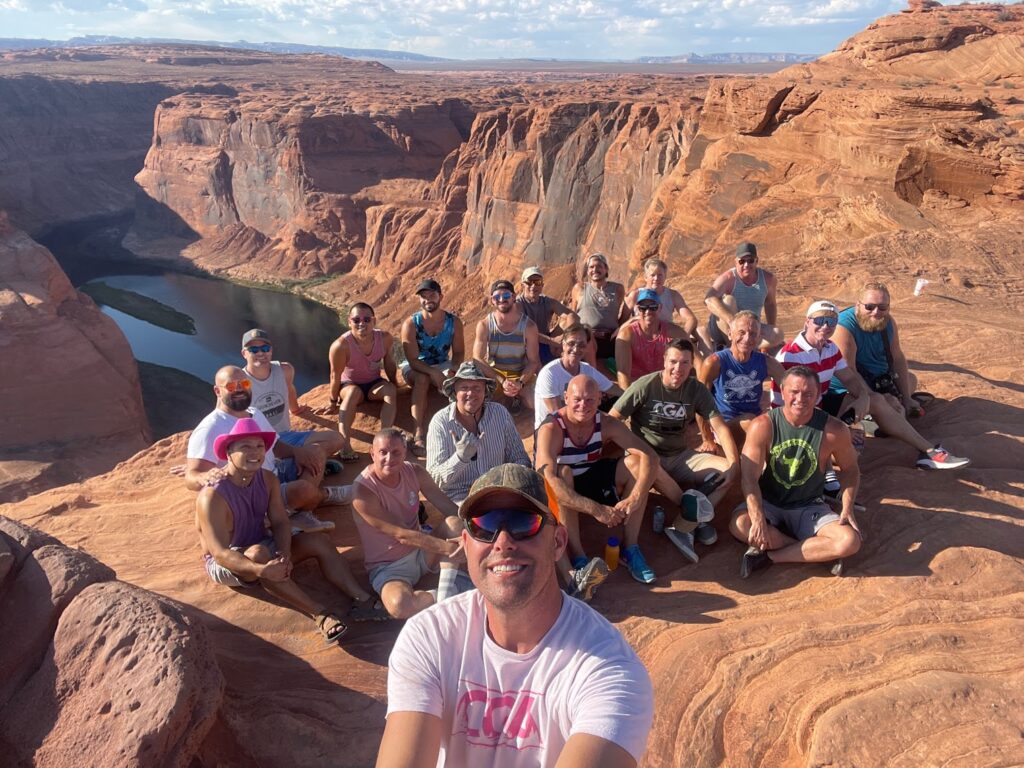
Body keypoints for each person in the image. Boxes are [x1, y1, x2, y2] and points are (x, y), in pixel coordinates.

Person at [378, 463, 654, 768]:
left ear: (558, 542)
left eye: (524, 522)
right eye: (484, 524)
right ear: (466, 545)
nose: (503, 541)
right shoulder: (430, 637)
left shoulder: (608, 669)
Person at [195, 418, 382, 646]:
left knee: (318, 541)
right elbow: (219, 552)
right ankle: (320, 614)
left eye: (259, 446)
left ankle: (362, 599)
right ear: (228, 452)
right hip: (228, 560)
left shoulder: (267, 479)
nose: (255, 452)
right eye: (245, 446)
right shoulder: (212, 496)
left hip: (263, 541)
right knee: (258, 553)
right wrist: (260, 569)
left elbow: (280, 522)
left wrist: (283, 553)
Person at [611, 340, 740, 562]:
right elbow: (612, 420)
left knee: (726, 471)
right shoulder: (645, 386)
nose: (678, 368)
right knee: (646, 465)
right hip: (648, 458)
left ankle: (685, 525)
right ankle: (692, 511)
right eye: (673, 361)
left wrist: (734, 464)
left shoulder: (695, 389)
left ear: (691, 365)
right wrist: (631, 448)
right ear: (664, 361)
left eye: (684, 363)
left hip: (681, 457)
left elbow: (719, 426)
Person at [729, 366, 862, 579]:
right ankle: (818, 552)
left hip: (809, 505)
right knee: (740, 524)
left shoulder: (834, 430)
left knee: (849, 541)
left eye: (809, 394)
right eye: (794, 392)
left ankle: (772, 557)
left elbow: (850, 470)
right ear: (782, 390)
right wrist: (757, 516)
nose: (801, 399)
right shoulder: (763, 425)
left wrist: (847, 507)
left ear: (818, 395)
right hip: (768, 501)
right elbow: (749, 477)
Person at [186, 365, 349, 533]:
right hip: (252, 493)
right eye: (232, 386)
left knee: (315, 453)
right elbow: (191, 477)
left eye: (244, 384)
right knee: (303, 490)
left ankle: (295, 512)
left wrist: (298, 452)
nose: (240, 389)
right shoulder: (210, 428)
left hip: (275, 473)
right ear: (218, 391)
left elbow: (275, 445)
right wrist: (206, 476)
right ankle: (323, 496)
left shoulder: (254, 413)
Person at [831, 282, 970, 470]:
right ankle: (929, 452)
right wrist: (877, 397)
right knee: (881, 404)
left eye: (882, 307)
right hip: (844, 389)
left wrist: (906, 398)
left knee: (910, 380)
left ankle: (880, 418)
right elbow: (850, 375)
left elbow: (897, 357)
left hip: (875, 379)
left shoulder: (887, 323)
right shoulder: (843, 328)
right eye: (869, 307)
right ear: (858, 305)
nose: (876, 312)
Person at [536, 375, 659, 584]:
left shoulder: (607, 423)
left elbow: (650, 456)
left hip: (590, 476)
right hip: (562, 486)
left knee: (636, 464)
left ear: (600, 399)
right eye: (577, 399)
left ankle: (630, 548)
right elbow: (547, 479)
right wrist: (596, 510)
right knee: (562, 474)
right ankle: (579, 558)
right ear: (565, 397)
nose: (583, 405)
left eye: (590, 400)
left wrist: (636, 496)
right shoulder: (551, 428)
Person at [352, 428, 469, 618]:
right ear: (372, 454)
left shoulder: (415, 472)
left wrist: (478, 533)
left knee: (456, 524)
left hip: (422, 552)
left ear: (405, 453)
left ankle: (450, 591)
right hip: (389, 568)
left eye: (396, 452)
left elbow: (449, 508)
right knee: (400, 606)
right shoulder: (362, 492)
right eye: (383, 452)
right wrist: (449, 548)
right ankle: (450, 594)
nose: (389, 458)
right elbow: (402, 535)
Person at [426, 361, 532, 506]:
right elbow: (433, 479)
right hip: (460, 498)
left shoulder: (499, 413)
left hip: (499, 492)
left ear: (485, 392)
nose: (471, 393)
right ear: (455, 392)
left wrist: (510, 485)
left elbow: (520, 457)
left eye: (477, 387)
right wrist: (460, 458)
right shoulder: (440, 423)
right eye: (464, 388)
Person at [240, 327, 345, 457]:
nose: (260, 353)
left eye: (265, 348)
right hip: (259, 444)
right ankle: (300, 461)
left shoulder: (284, 370)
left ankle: (294, 461)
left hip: (285, 436)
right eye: (254, 350)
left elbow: (289, 389)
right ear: (244, 353)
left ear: (271, 350)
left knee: (337, 439)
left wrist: (295, 409)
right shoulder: (241, 383)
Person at [698, 311, 786, 448]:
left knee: (765, 426)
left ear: (759, 337)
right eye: (741, 332)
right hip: (724, 427)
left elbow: (790, 387)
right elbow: (699, 401)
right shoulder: (715, 362)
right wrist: (707, 439)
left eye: (752, 334)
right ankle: (772, 465)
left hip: (755, 423)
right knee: (752, 422)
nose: (747, 338)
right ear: (729, 334)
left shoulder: (766, 362)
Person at [323, 302, 398, 460]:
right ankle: (344, 444)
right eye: (356, 320)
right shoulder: (341, 346)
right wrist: (332, 401)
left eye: (366, 319)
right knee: (352, 393)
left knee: (390, 391)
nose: (361, 323)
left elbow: (390, 363)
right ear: (349, 321)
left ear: (374, 320)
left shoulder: (384, 338)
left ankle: (383, 441)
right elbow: (334, 376)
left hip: (374, 384)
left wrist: (395, 384)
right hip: (349, 384)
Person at [399, 280, 465, 457]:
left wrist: (454, 369)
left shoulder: (454, 322)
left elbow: (458, 353)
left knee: (456, 382)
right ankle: (419, 432)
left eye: (432, 295)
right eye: (423, 296)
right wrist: (433, 373)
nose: (428, 299)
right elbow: (412, 360)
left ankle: (457, 430)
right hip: (416, 366)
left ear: (441, 297)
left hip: (443, 363)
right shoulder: (411, 324)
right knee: (422, 380)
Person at [533, 323, 622, 430]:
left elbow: (615, 390)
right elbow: (558, 415)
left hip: (579, 420)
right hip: (552, 430)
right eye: (571, 343)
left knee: (619, 400)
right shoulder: (549, 373)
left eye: (581, 345)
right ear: (563, 344)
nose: (576, 349)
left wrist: (638, 394)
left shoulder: (587, 369)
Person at [473, 279, 541, 412]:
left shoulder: (529, 327)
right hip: (495, 375)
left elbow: (533, 361)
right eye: (497, 297)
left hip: (520, 375)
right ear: (492, 300)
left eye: (506, 296)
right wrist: (502, 380)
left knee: (534, 403)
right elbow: (477, 358)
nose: (501, 300)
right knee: (479, 403)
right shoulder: (485, 325)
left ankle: (517, 399)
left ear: (514, 297)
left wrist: (519, 383)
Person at [701, 242, 783, 351]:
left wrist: (770, 329)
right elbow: (709, 299)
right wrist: (732, 321)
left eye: (750, 261)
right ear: (736, 262)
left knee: (777, 333)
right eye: (742, 261)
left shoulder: (768, 280)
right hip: (724, 328)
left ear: (756, 261)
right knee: (728, 300)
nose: (746, 265)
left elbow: (770, 303)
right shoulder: (729, 278)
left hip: (750, 327)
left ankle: (748, 346)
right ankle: (733, 347)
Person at [614, 288, 689, 390]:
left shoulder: (674, 333)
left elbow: (695, 361)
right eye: (643, 308)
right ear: (638, 309)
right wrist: (629, 401)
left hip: (666, 387)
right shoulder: (627, 335)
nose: (648, 311)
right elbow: (623, 373)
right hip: (637, 388)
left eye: (653, 307)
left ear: (660, 308)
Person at [572, 252, 628, 366]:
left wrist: (619, 330)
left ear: (606, 269)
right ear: (588, 271)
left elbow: (623, 316)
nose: (595, 269)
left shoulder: (617, 289)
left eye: (599, 266)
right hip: (588, 337)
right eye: (591, 267)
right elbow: (573, 315)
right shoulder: (580, 288)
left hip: (611, 337)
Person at [624, 258, 699, 340]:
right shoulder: (635, 295)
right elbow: (623, 321)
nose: (656, 278)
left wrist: (682, 337)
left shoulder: (673, 295)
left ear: (665, 276)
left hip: (667, 335)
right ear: (645, 277)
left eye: (660, 275)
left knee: (702, 331)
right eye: (652, 275)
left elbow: (691, 318)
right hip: (642, 336)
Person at [516, 266, 578, 365]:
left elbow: (572, 316)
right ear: (522, 285)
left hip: (547, 342)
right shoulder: (518, 304)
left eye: (537, 282)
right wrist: (553, 341)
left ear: (542, 285)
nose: (533, 286)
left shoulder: (548, 302)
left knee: (567, 322)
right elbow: (525, 331)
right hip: (526, 344)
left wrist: (566, 337)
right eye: (529, 282)